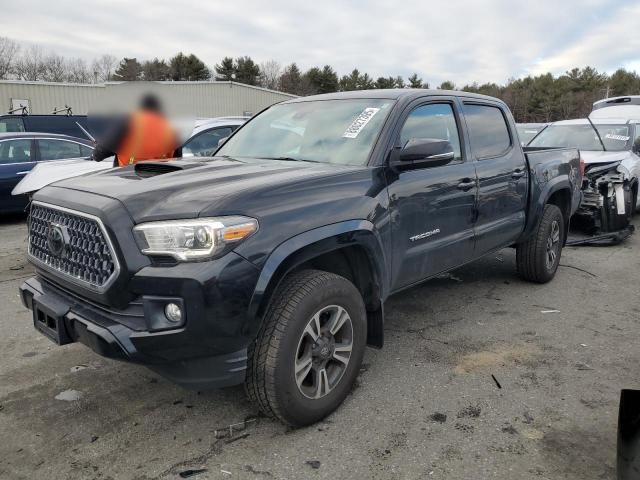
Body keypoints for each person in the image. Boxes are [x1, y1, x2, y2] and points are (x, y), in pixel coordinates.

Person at [92, 94, 179, 167]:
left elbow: (109, 145)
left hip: (130, 176)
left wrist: (96, 154)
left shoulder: (128, 120)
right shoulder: (171, 128)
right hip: (161, 178)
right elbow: (178, 158)